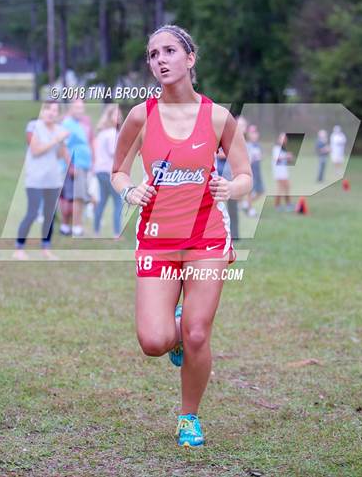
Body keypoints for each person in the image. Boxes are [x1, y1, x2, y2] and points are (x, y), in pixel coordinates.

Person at [111, 24, 252, 448]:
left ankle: (189, 417)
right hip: (156, 238)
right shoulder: (141, 115)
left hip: (206, 237)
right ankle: (173, 326)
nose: (160, 60)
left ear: (190, 59)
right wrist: (129, 189)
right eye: (154, 55)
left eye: (169, 51)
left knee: (196, 334)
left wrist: (230, 188)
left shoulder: (217, 117)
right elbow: (117, 170)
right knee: (155, 341)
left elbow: (245, 175)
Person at [13, 101, 69, 260]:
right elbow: (36, 150)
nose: (51, 113)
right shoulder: (33, 126)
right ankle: (19, 248)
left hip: (53, 179)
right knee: (32, 213)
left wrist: (64, 144)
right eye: (48, 109)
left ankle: (46, 248)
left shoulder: (60, 130)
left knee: (49, 215)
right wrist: (56, 139)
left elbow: (60, 155)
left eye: (54, 110)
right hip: (35, 179)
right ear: (42, 111)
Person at [60, 99, 94, 237]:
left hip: (83, 165)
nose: (80, 111)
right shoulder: (67, 124)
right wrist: (71, 165)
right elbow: (63, 146)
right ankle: (76, 226)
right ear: (71, 109)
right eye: (77, 108)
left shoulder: (79, 124)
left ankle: (68, 226)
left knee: (76, 197)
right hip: (75, 165)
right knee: (76, 198)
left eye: (82, 108)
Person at [93, 104, 123, 238]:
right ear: (109, 116)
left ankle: (96, 230)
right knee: (118, 202)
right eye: (114, 114)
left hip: (100, 171)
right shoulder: (112, 133)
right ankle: (117, 233)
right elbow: (114, 152)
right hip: (108, 171)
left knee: (102, 201)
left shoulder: (102, 132)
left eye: (118, 113)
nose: (118, 116)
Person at [272, 132, 295, 212]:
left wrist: (289, 158)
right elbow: (276, 158)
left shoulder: (283, 149)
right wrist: (286, 156)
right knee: (281, 188)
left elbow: (285, 160)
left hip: (284, 171)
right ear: (279, 139)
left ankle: (288, 204)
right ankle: (278, 205)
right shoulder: (276, 148)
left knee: (287, 187)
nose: (284, 140)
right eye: (282, 138)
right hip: (279, 172)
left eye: (285, 139)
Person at [246, 124, 265, 215]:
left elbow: (261, 156)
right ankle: (250, 210)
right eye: (252, 133)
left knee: (261, 191)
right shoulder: (247, 145)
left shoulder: (258, 145)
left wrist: (260, 157)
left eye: (255, 132)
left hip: (257, 171)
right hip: (251, 171)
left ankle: (247, 204)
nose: (254, 135)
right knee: (250, 191)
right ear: (249, 134)